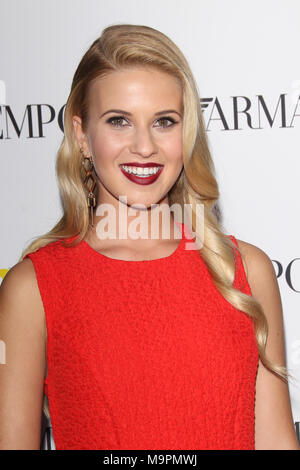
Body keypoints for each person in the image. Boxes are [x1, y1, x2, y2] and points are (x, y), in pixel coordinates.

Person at [0, 24, 299, 451]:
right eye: (118, 121)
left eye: (164, 122)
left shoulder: (244, 271)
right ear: (82, 135)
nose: (144, 146)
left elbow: (276, 442)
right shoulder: (33, 289)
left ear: (187, 131)